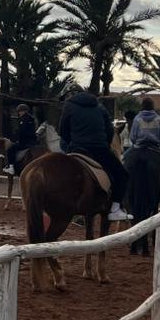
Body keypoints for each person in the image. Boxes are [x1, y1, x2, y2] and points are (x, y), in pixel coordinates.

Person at [59, 83, 130, 221]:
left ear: (69, 95)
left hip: (77, 148)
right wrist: (104, 143)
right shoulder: (99, 105)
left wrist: (71, 144)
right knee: (122, 175)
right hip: (99, 149)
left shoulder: (68, 106)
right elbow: (109, 131)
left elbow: (63, 131)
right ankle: (115, 209)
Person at [129, 97, 160, 172]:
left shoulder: (137, 119)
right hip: (156, 147)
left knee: (125, 157)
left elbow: (132, 137)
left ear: (142, 106)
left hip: (139, 146)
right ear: (152, 106)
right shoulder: (158, 119)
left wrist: (136, 144)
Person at [3, 103, 37, 176]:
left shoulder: (24, 119)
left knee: (10, 149)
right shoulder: (31, 118)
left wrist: (12, 140)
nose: (19, 113)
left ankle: (11, 167)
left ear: (23, 111)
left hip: (26, 142)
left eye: (19, 111)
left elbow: (21, 132)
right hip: (33, 141)